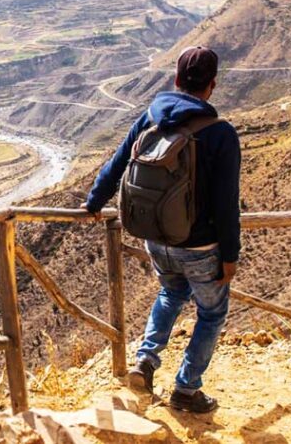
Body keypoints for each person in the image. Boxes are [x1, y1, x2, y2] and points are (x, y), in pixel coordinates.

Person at [81, 46, 241, 413]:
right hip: (200, 245)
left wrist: (93, 201)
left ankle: (146, 361)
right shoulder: (220, 134)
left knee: (171, 294)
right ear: (212, 85)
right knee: (212, 314)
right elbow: (226, 202)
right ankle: (186, 389)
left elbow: (118, 162)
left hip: (154, 236)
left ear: (176, 79)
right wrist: (230, 255)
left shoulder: (151, 117)